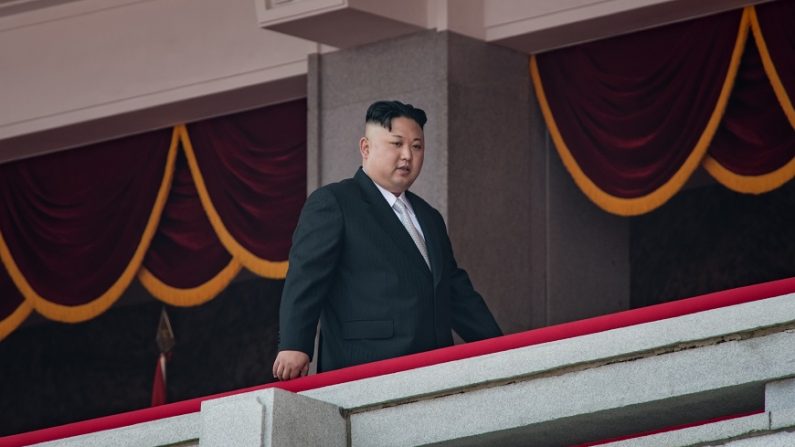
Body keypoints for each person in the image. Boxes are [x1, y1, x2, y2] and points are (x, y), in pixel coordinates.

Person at [272, 100, 502, 380]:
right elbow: (306, 276)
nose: (407, 155)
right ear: (365, 148)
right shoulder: (335, 202)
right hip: (366, 366)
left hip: (435, 368)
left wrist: (499, 346)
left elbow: (454, 290)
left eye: (417, 147)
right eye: (396, 144)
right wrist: (295, 344)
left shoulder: (429, 216)